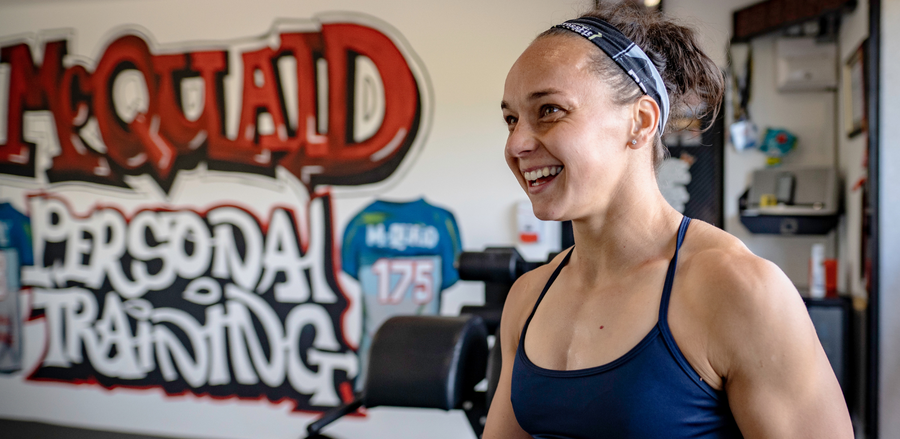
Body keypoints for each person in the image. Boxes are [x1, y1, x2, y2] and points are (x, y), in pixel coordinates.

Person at [484, 2, 853, 438]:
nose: (517, 143)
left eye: (549, 110)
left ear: (640, 121)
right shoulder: (528, 298)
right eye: (511, 119)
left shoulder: (738, 290)